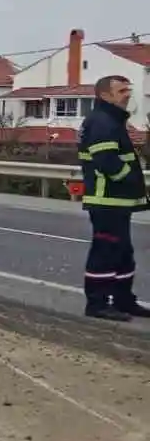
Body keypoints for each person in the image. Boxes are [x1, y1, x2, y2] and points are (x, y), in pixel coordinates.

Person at [79, 74, 149, 321]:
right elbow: (107, 160)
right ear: (104, 95)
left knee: (122, 252)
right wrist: (128, 179)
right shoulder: (102, 121)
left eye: (127, 89)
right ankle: (97, 304)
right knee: (106, 251)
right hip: (106, 200)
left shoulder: (111, 119)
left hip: (117, 201)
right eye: (121, 90)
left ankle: (123, 301)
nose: (127, 94)